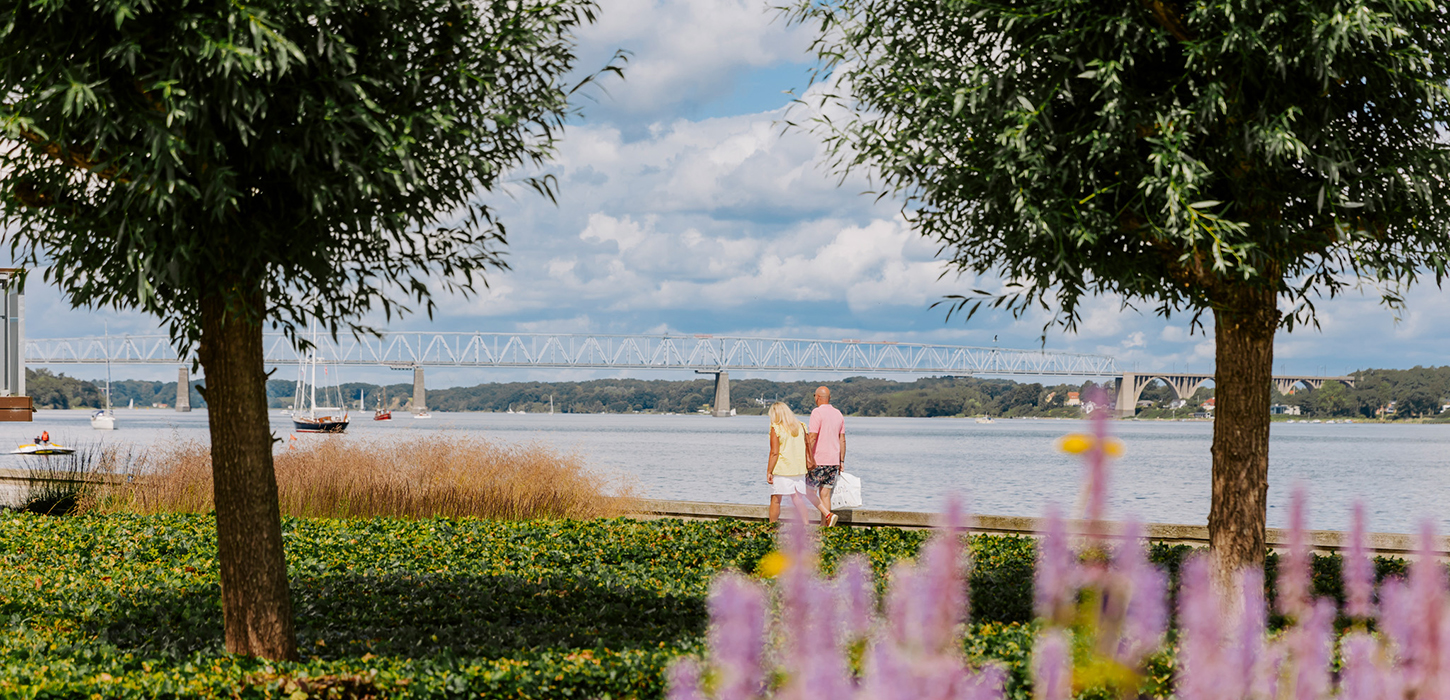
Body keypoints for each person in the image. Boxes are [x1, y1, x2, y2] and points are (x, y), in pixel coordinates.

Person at [765, 402, 816, 523]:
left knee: (776, 499)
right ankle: (806, 525)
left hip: (782, 468)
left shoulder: (776, 428)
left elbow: (774, 453)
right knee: (798, 499)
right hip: (798, 468)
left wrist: (769, 471)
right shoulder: (801, 426)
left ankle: (772, 526)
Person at [805, 386, 845, 527]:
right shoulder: (838, 414)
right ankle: (825, 527)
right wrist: (841, 460)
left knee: (808, 491)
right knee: (825, 494)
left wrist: (806, 456)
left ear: (817, 397)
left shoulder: (817, 412)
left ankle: (828, 515)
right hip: (834, 461)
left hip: (818, 460)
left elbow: (813, 437)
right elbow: (842, 439)